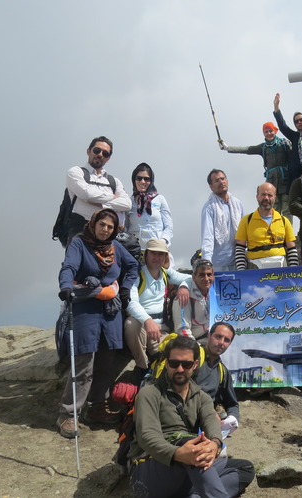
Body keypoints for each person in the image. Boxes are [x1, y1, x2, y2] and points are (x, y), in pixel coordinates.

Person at [126, 335, 254, 498]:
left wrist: (215, 444)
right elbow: (147, 437)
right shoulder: (149, 393)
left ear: (194, 365)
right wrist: (178, 453)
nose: (179, 369)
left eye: (186, 364)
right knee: (193, 447)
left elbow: (210, 421)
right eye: (174, 363)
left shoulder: (202, 397)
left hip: (188, 465)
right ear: (166, 363)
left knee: (245, 468)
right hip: (150, 469)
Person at [56, 208, 139, 438]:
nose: (105, 230)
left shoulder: (116, 248)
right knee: (84, 362)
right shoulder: (79, 244)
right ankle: (68, 414)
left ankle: (97, 407)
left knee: (106, 361)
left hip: (110, 312)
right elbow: (69, 267)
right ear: (94, 224)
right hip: (86, 308)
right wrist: (65, 287)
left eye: (110, 227)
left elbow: (132, 265)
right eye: (102, 224)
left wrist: (124, 288)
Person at [125, 239, 191, 378]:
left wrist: (184, 286)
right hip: (142, 326)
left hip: (161, 329)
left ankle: (155, 364)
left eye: (161, 254)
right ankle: (142, 366)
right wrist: (147, 321)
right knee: (131, 323)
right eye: (153, 253)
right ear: (146, 255)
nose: (157, 257)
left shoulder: (166, 273)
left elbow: (190, 278)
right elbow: (131, 302)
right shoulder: (137, 275)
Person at [65, 136, 131, 244]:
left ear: (108, 158)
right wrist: (112, 197)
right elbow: (87, 194)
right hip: (81, 233)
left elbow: (127, 204)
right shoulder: (76, 172)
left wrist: (103, 206)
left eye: (105, 153)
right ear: (88, 151)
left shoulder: (114, 181)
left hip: (108, 236)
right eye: (97, 150)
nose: (100, 154)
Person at [221, 122, 293, 221]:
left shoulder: (284, 144)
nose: (269, 133)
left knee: (287, 208)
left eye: (271, 131)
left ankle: (287, 232)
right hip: (271, 182)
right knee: (274, 208)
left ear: (275, 131)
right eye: (266, 131)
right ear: (263, 133)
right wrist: (228, 148)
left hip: (285, 179)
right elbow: (247, 149)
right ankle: (274, 231)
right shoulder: (263, 147)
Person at [235, 183, 299, 270]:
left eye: (270, 195)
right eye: (263, 194)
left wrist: (294, 270)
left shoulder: (284, 221)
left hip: (280, 268)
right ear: (257, 196)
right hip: (255, 268)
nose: (266, 198)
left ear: (274, 198)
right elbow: (240, 249)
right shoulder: (246, 220)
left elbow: (291, 249)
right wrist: (241, 272)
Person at [195, 322, 241, 439]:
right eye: (218, 336)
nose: (221, 343)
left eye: (226, 340)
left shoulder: (222, 371)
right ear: (209, 336)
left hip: (205, 426)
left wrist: (233, 419)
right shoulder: (192, 358)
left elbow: (232, 404)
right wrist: (209, 412)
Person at [200, 169, 243, 271]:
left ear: (227, 181)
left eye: (223, 179)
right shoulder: (209, 207)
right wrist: (207, 265)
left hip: (238, 261)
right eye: (217, 180)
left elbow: (244, 231)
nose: (221, 182)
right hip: (218, 264)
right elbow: (207, 238)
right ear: (211, 186)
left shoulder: (237, 203)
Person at [126, 163, 173, 252]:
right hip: (135, 251)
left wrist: (163, 241)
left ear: (151, 181)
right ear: (134, 180)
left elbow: (169, 226)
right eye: (139, 178)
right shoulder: (129, 201)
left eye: (146, 179)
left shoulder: (159, 199)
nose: (142, 182)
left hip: (157, 251)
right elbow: (125, 227)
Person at [173, 259, 214, 345]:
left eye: (209, 274)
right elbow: (182, 330)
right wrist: (195, 349)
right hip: (196, 342)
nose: (206, 279)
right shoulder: (183, 297)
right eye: (202, 275)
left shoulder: (215, 290)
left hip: (215, 339)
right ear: (194, 277)